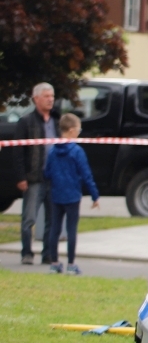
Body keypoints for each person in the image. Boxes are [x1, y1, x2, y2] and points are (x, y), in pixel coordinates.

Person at [42, 113, 99, 275]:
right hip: (72, 195)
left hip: (56, 194)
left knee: (55, 228)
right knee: (71, 229)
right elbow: (86, 174)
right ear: (72, 131)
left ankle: (54, 262)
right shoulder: (77, 151)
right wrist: (95, 195)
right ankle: (71, 264)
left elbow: (47, 173)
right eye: (79, 130)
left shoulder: (53, 151)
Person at [14, 82, 57, 266]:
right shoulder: (26, 122)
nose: (50, 100)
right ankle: (27, 253)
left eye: (52, 96)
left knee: (51, 219)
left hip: (53, 178)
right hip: (33, 178)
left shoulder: (57, 120)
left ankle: (47, 254)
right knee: (29, 218)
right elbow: (17, 152)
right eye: (46, 96)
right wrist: (21, 177)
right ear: (36, 99)